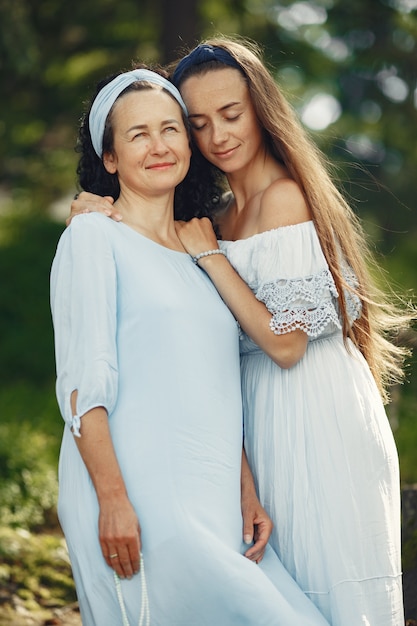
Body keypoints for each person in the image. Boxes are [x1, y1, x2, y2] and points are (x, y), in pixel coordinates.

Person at [69, 39, 415, 626]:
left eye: (231, 114)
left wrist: (213, 259)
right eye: (198, 124)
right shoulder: (219, 215)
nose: (218, 136)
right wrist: (97, 211)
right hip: (250, 421)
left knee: (327, 587)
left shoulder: (285, 199)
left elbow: (285, 345)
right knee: (274, 588)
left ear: (261, 108)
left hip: (314, 413)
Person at [51, 67, 331, 626]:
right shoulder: (92, 237)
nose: (159, 147)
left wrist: (245, 489)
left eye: (171, 129)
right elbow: (83, 384)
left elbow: (213, 381)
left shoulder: (201, 249)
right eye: (137, 135)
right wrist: (113, 502)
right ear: (109, 159)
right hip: (142, 502)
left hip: (214, 502)